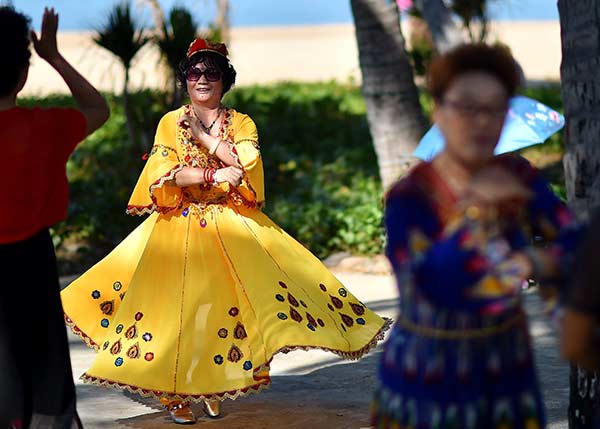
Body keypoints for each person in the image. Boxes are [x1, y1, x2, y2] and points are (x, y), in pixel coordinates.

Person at [60, 38, 391, 425]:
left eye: (212, 73)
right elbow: (165, 172)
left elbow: (245, 164)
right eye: (196, 72)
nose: (203, 79)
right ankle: (173, 393)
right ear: (185, 79)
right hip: (176, 229)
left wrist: (202, 140)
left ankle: (212, 384)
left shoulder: (241, 122)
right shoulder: (170, 122)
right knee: (171, 312)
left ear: (225, 80)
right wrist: (212, 173)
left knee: (219, 310)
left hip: (230, 227)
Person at [371, 43, 579, 429]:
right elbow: (433, 286)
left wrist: (534, 261)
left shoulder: (518, 175)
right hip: (425, 377)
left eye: (495, 109)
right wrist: (477, 213)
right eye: (466, 107)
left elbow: (573, 238)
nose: (480, 121)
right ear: (439, 110)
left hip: (507, 370)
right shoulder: (410, 196)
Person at [0, 6, 109, 427]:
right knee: (44, 371)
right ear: (22, 74)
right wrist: (54, 57)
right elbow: (98, 109)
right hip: (32, 261)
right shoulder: (46, 126)